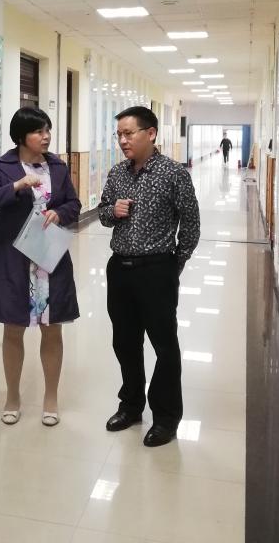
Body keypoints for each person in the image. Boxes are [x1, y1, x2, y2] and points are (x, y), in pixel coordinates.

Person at [98, 106, 201, 447]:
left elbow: (191, 224)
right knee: (125, 343)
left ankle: (166, 417)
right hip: (120, 270)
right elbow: (103, 213)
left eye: (129, 133)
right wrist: (112, 211)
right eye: (119, 135)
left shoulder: (173, 173)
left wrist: (175, 263)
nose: (123, 141)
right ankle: (130, 405)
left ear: (151, 133)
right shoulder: (117, 173)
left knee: (164, 346)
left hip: (157, 270)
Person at [0, 107, 81, 427]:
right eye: (38, 131)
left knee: (53, 329)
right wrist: (17, 186)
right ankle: (12, 397)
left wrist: (60, 213)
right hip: (13, 258)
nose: (46, 136)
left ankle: (51, 397)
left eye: (47, 130)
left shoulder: (57, 166)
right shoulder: (2, 166)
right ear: (21, 136)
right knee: (13, 328)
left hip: (49, 258)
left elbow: (73, 203)